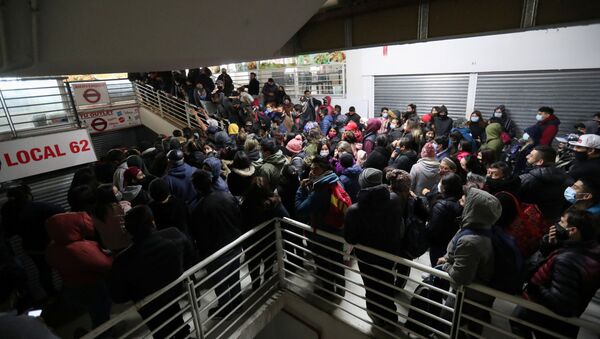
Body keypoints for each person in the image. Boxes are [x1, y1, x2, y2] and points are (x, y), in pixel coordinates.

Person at [110, 206, 196, 339]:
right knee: (176, 319)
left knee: (159, 330)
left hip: (147, 304)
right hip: (173, 293)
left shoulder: (122, 260)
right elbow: (191, 257)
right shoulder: (173, 235)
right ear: (152, 222)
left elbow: (118, 296)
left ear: (128, 231)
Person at [512, 209, 600, 339]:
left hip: (545, 313)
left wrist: (533, 287)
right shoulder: (590, 249)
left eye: (562, 222)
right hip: (566, 314)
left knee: (518, 322)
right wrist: (552, 245)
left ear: (573, 230)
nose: (557, 224)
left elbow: (561, 304)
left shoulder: (568, 261)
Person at [344, 168, 404, 327]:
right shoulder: (394, 199)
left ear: (362, 184)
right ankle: (391, 318)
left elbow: (350, 238)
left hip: (367, 258)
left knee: (371, 287)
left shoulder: (354, 210)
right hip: (389, 254)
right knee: (387, 284)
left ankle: (377, 316)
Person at [439, 188, 501, 335]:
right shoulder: (482, 227)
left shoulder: (471, 242)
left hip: (466, 296)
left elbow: (461, 277)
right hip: (477, 297)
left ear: (473, 208)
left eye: (464, 201)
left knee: (446, 326)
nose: (460, 202)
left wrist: (446, 264)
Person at [46, 212, 113, 331]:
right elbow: (105, 265)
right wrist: (109, 255)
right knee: (100, 314)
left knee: (94, 313)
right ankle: (105, 334)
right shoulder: (82, 249)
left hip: (69, 287)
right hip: (91, 287)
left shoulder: (52, 248)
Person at [190, 170, 242, 317]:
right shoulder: (228, 196)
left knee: (220, 283)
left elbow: (201, 236)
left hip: (216, 252)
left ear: (196, 187)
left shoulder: (198, 209)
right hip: (235, 244)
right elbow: (238, 218)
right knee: (234, 277)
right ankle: (237, 302)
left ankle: (225, 308)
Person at [295, 156, 346, 299]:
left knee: (323, 264)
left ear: (324, 170)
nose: (311, 171)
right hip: (337, 230)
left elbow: (300, 209)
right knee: (337, 260)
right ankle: (341, 288)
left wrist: (300, 190)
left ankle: (329, 292)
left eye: (315, 168)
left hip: (321, 233)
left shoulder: (320, 190)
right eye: (311, 168)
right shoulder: (338, 181)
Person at [241, 177, 289, 290]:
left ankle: (255, 285)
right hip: (270, 239)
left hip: (252, 241)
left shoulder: (246, 203)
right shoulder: (274, 201)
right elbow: (286, 217)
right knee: (268, 263)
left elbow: (242, 222)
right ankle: (267, 282)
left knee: (253, 265)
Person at [519, 145, 572, 222]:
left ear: (540, 162)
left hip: (528, 218)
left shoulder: (528, 179)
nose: (527, 157)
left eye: (531, 156)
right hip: (550, 220)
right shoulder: (566, 178)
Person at [426, 173, 463, 267]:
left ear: (445, 187)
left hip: (438, 244)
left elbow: (433, 229)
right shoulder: (460, 202)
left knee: (437, 267)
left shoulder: (441, 205)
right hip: (452, 244)